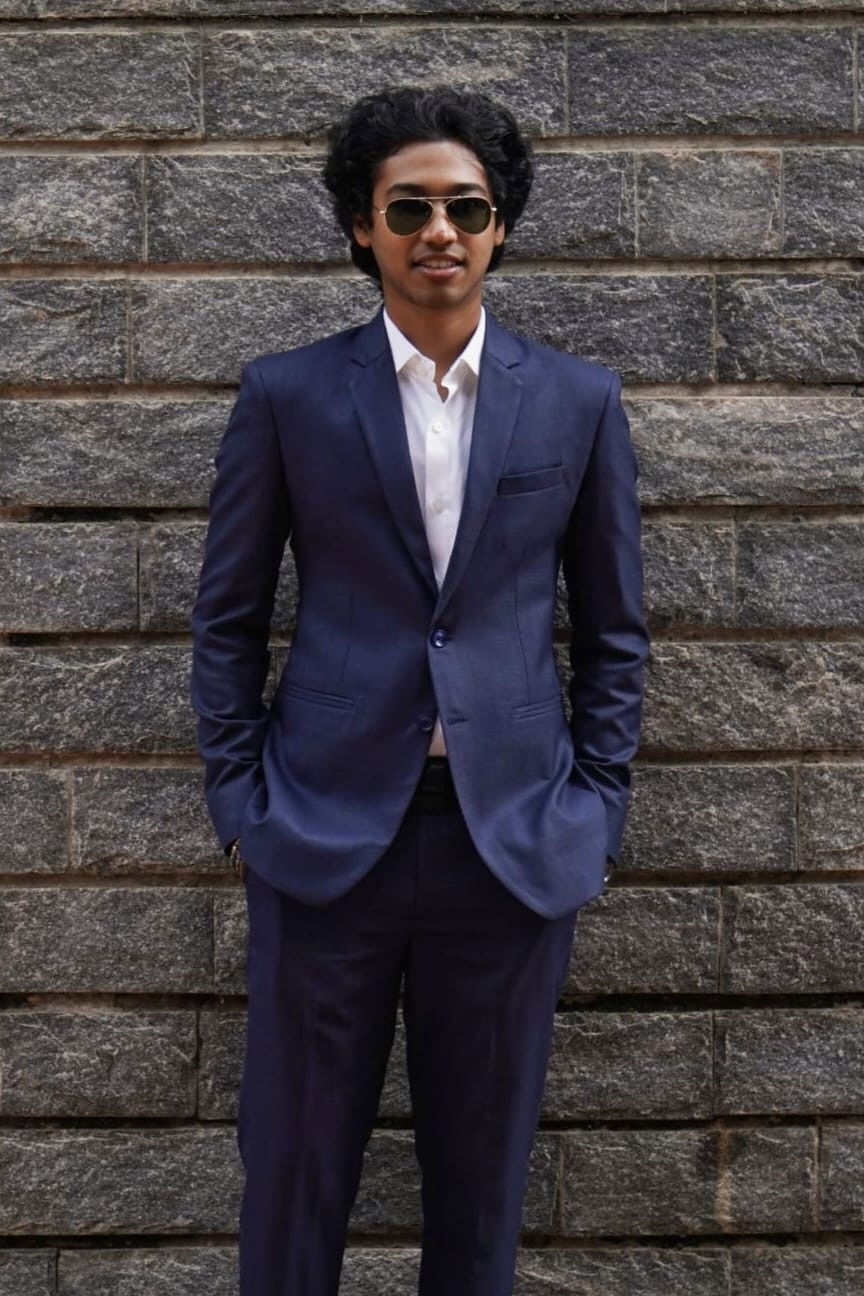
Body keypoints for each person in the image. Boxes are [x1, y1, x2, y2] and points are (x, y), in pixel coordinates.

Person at [190, 84, 649, 1296]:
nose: (439, 230)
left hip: (509, 845)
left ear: (500, 225)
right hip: (320, 836)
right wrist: (242, 805)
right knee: (291, 1180)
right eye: (409, 208)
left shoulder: (578, 401)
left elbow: (615, 632)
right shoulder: (288, 394)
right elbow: (228, 617)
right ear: (364, 224)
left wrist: (594, 808)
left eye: (466, 207)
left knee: (481, 1189)